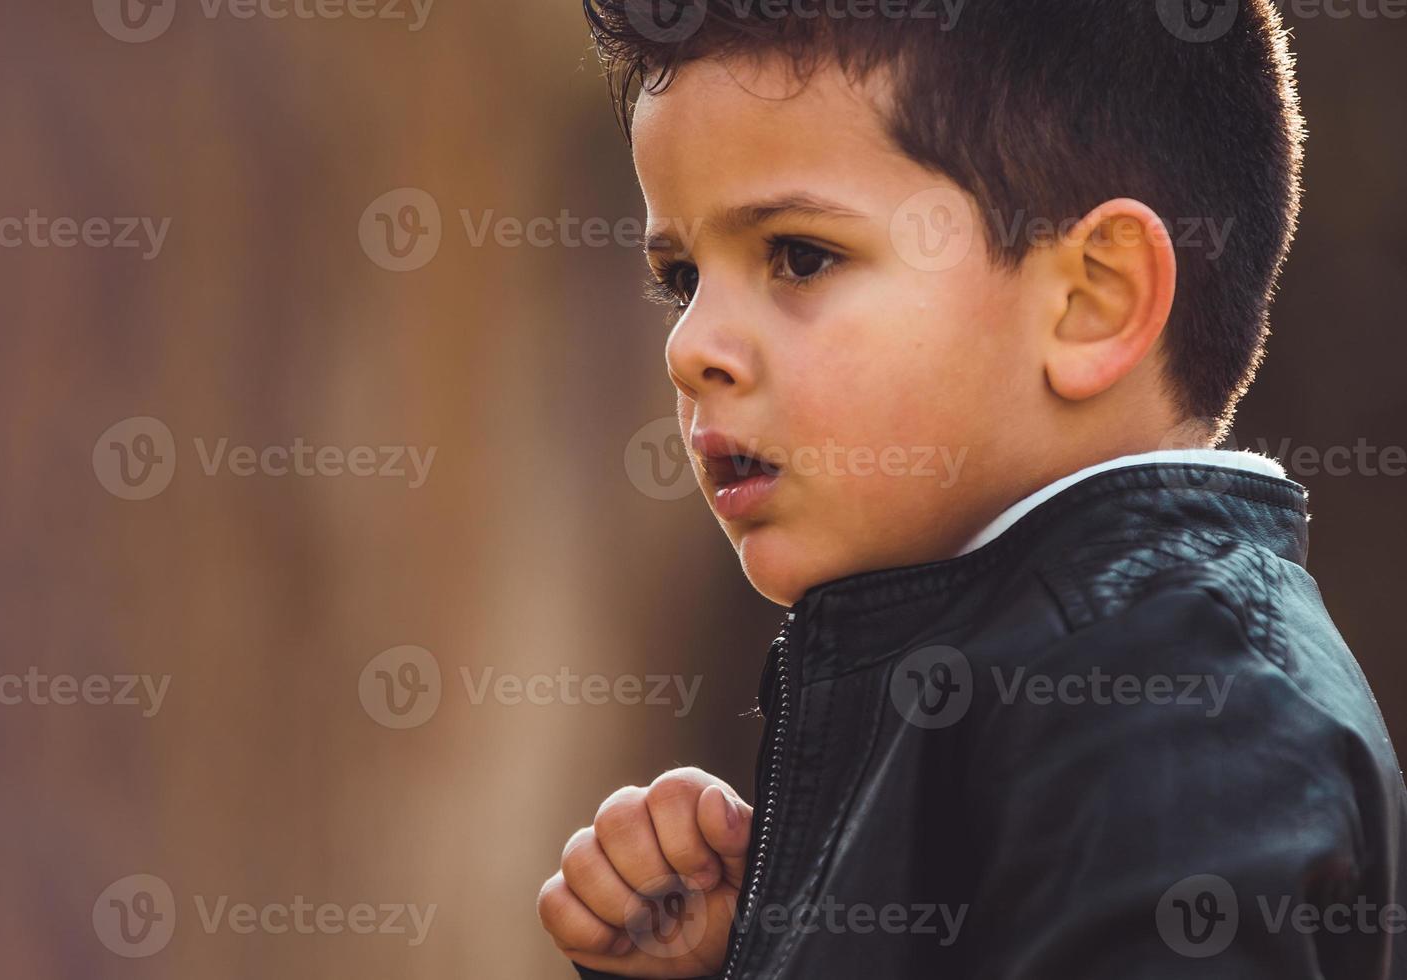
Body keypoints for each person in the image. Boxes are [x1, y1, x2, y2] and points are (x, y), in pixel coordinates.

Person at [537, 1, 1407, 976]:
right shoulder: (1011, 671)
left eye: (797, 254)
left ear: (1090, 301)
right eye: (681, 275)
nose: (688, 346)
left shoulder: (1181, 713)